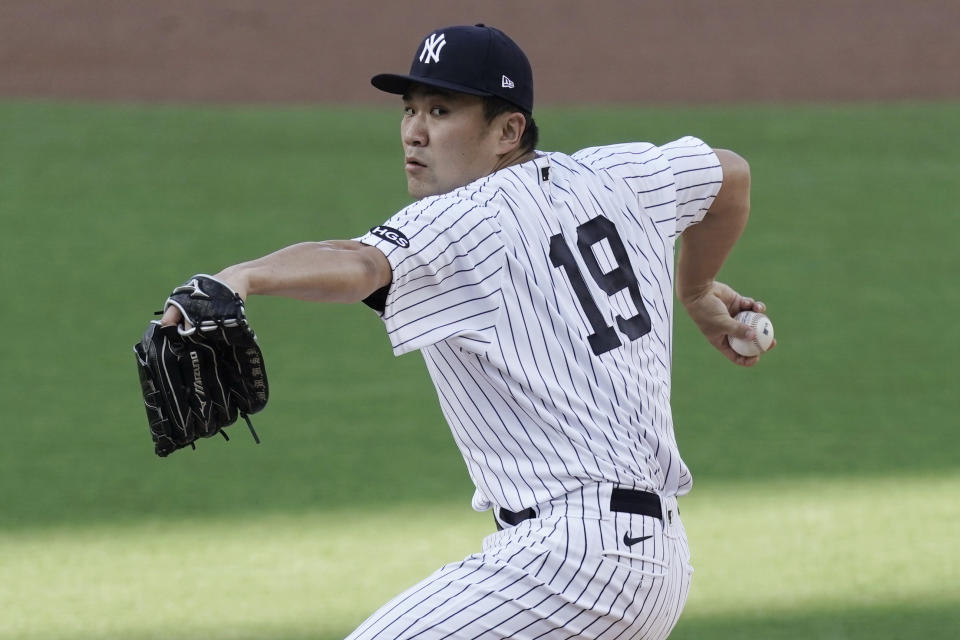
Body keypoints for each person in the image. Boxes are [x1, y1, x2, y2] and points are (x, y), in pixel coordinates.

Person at [162, 23, 774, 640]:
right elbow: (729, 175)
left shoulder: (460, 219)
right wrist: (695, 289)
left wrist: (241, 278)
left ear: (508, 131)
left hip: (569, 565)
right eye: (409, 109)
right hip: (651, 561)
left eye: (442, 110)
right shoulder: (618, 175)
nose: (414, 131)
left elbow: (358, 263)